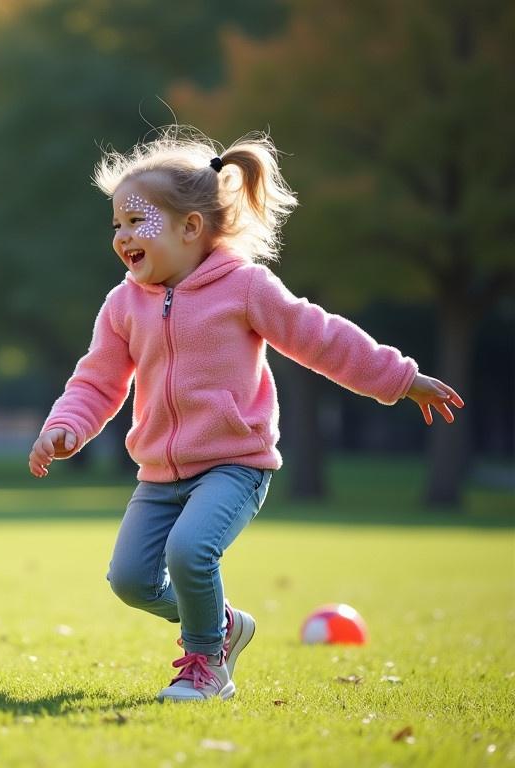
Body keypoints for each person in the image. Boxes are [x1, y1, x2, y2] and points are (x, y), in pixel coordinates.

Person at [27, 126, 463, 703]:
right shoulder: (123, 303)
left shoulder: (245, 287)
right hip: (159, 473)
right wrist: (66, 427)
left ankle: (207, 664)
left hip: (234, 464)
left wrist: (400, 379)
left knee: (190, 552)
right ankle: (227, 625)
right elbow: (98, 378)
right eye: (117, 224)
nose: (122, 236)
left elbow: (322, 338)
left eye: (137, 221)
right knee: (131, 581)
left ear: (191, 227)